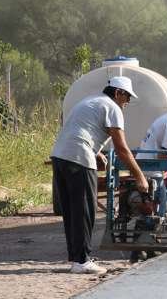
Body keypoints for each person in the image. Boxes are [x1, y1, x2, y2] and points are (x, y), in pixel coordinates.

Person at [51, 76, 149, 275]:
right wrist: (140, 176)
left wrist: (96, 152)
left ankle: (76, 258)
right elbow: (122, 148)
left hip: (60, 156)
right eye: (127, 96)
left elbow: (78, 129)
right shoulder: (113, 107)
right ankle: (82, 261)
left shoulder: (90, 101)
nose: (128, 101)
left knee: (72, 211)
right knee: (84, 210)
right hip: (78, 157)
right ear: (118, 92)